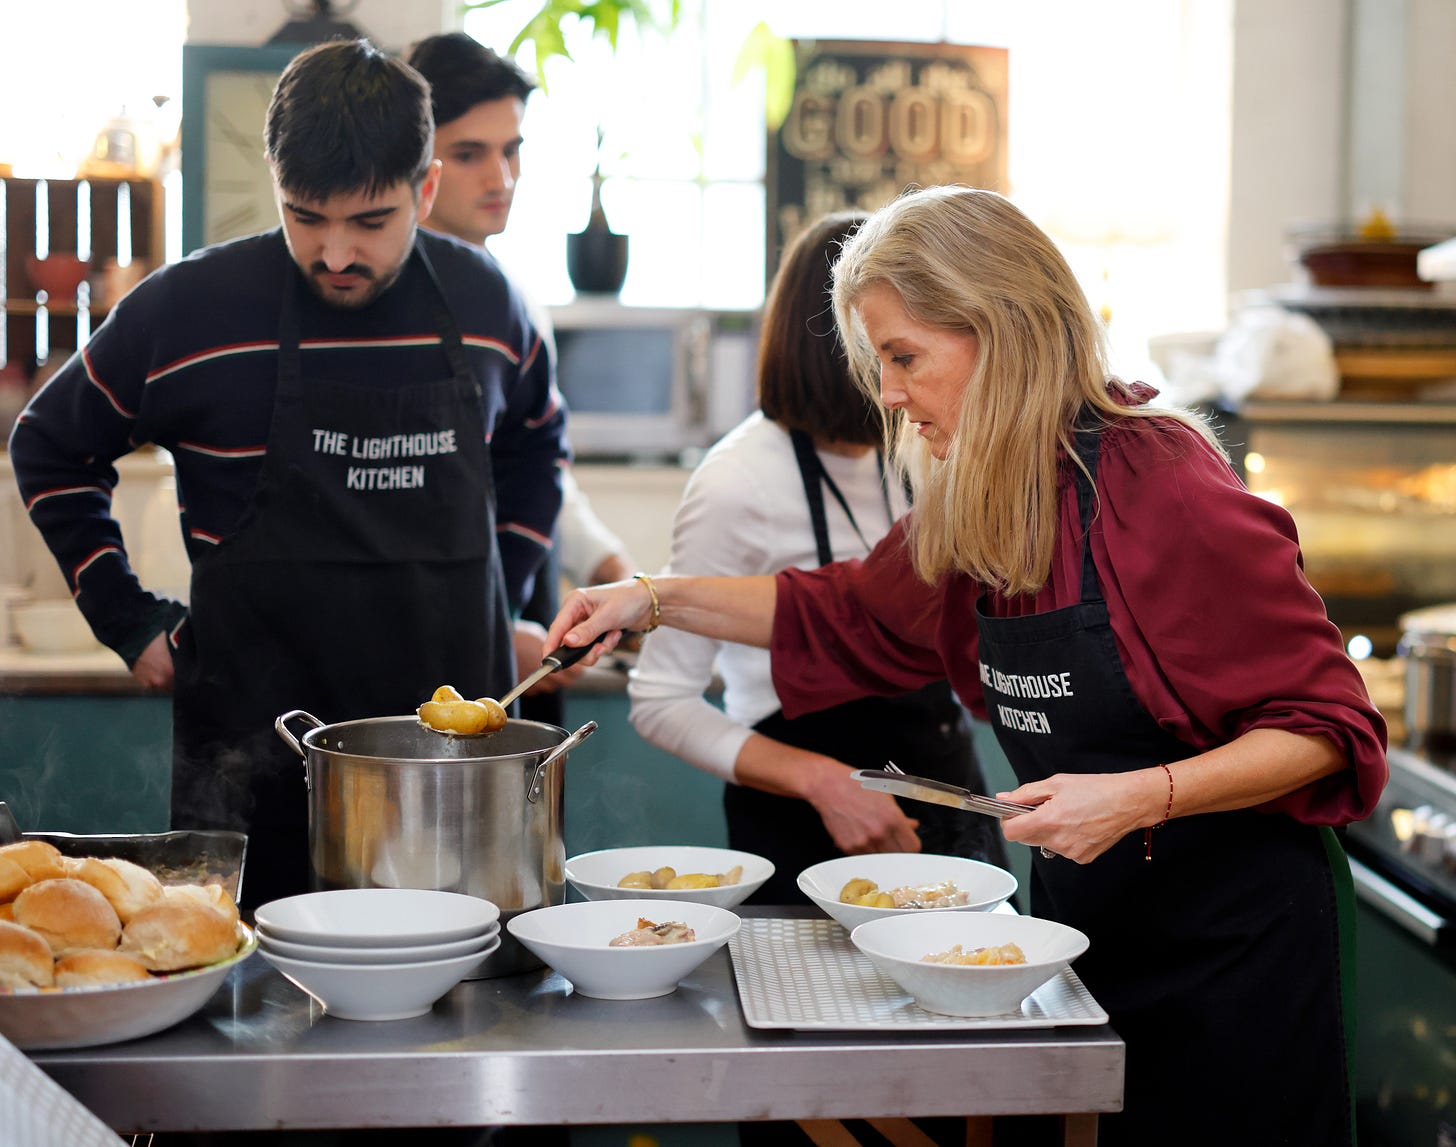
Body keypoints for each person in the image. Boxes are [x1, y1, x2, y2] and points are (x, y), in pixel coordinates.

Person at [544, 186, 1389, 1145]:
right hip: (1091, 930)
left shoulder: (1164, 482)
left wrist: (1137, 795)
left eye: (905, 358)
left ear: (1002, 331)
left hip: (1242, 950)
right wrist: (651, 597)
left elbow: (1329, 729)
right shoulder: (978, 494)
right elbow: (842, 606)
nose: (891, 395)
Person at [8, 39, 567, 914]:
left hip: (451, 782)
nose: (336, 252)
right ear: (274, 177)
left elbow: (540, 440)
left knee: (465, 1004)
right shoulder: (190, 310)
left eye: (371, 222)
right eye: (307, 216)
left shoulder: (489, 304)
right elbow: (48, 445)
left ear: (423, 189)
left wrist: (510, 584)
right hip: (251, 770)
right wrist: (127, 617)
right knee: (248, 1011)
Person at [628, 211, 1005, 904]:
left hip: (946, 794)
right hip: (805, 826)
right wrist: (820, 780)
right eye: (893, 353)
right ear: (842, 339)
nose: (902, 387)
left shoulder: (930, 444)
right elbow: (661, 702)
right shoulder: (735, 480)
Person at [407, 31, 637, 725]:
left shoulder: (510, 295)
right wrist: (484, 623)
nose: (500, 178)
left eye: (512, 152)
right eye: (471, 153)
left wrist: (614, 572)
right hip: (431, 645)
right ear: (415, 159)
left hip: (519, 614)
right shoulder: (393, 301)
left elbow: (538, 459)